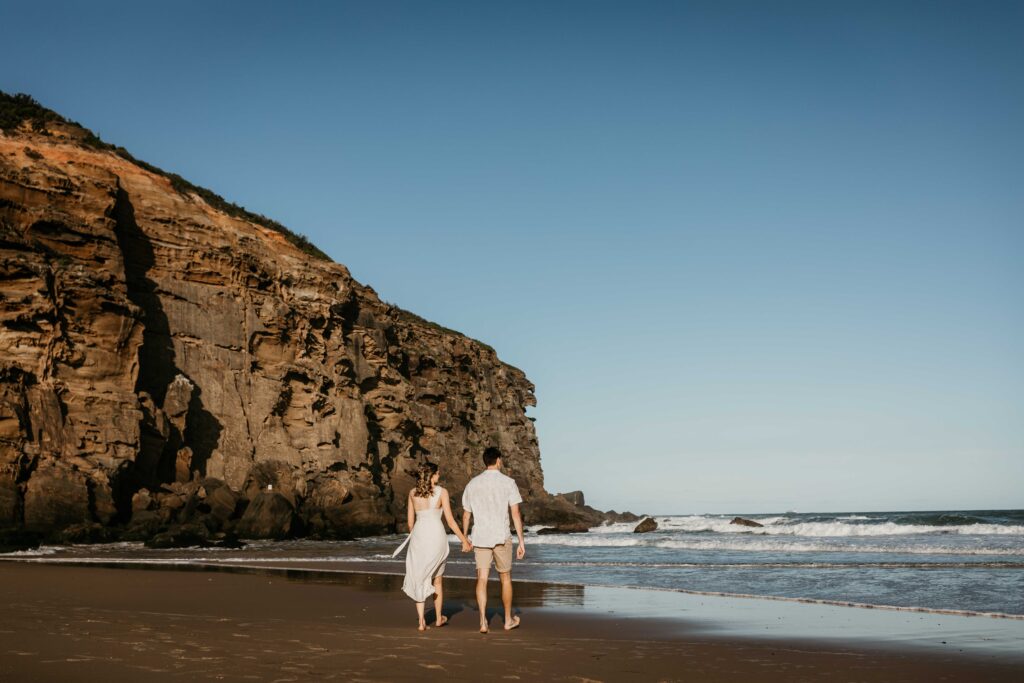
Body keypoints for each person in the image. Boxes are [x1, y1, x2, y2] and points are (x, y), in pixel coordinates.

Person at [461, 446, 526, 633]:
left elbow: (466, 515)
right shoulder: (508, 482)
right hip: (501, 536)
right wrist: (521, 541)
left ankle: (482, 621)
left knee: (482, 578)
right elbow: (515, 513)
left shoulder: (473, 484)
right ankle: (507, 620)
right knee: (505, 578)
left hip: (480, 537)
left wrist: (465, 538)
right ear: (498, 460)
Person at [400, 462, 472, 631]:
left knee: (420, 577)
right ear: (432, 475)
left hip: (419, 536)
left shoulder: (412, 493)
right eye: (438, 473)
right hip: (436, 536)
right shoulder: (442, 492)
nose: (439, 476)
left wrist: (418, 536)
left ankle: (421, 622)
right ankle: (439, 618)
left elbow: (410, 524)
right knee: (437, 580)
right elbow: (451, 521)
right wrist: (464, 540)